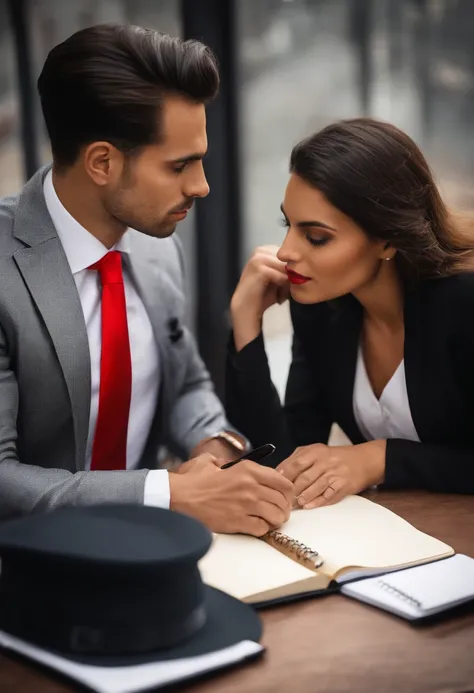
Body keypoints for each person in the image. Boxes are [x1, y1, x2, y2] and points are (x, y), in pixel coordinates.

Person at [0, 23, 293, 534]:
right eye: (181, 165)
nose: (201, 186)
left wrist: (214, 448)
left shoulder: (156, 247)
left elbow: (184, 385)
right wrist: (169, 492)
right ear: (102, 162)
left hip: (159, 556)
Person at [227, 117, 474, 509]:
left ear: (387, 238)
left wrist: (381, 458)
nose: (287, 251)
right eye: (287, 225)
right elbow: (283, 462)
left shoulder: (463, 303)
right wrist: (245, 326)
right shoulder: (321, 309)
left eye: (316, 237)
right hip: (396, 541)